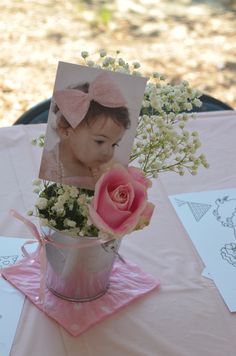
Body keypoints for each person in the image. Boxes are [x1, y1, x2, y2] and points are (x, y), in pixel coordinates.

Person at [39, 71, 130, 190]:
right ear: (65, 129)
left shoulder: (102, 170)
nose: (108, 152)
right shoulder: (46, 166)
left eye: (114, 144)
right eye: (100, 141)